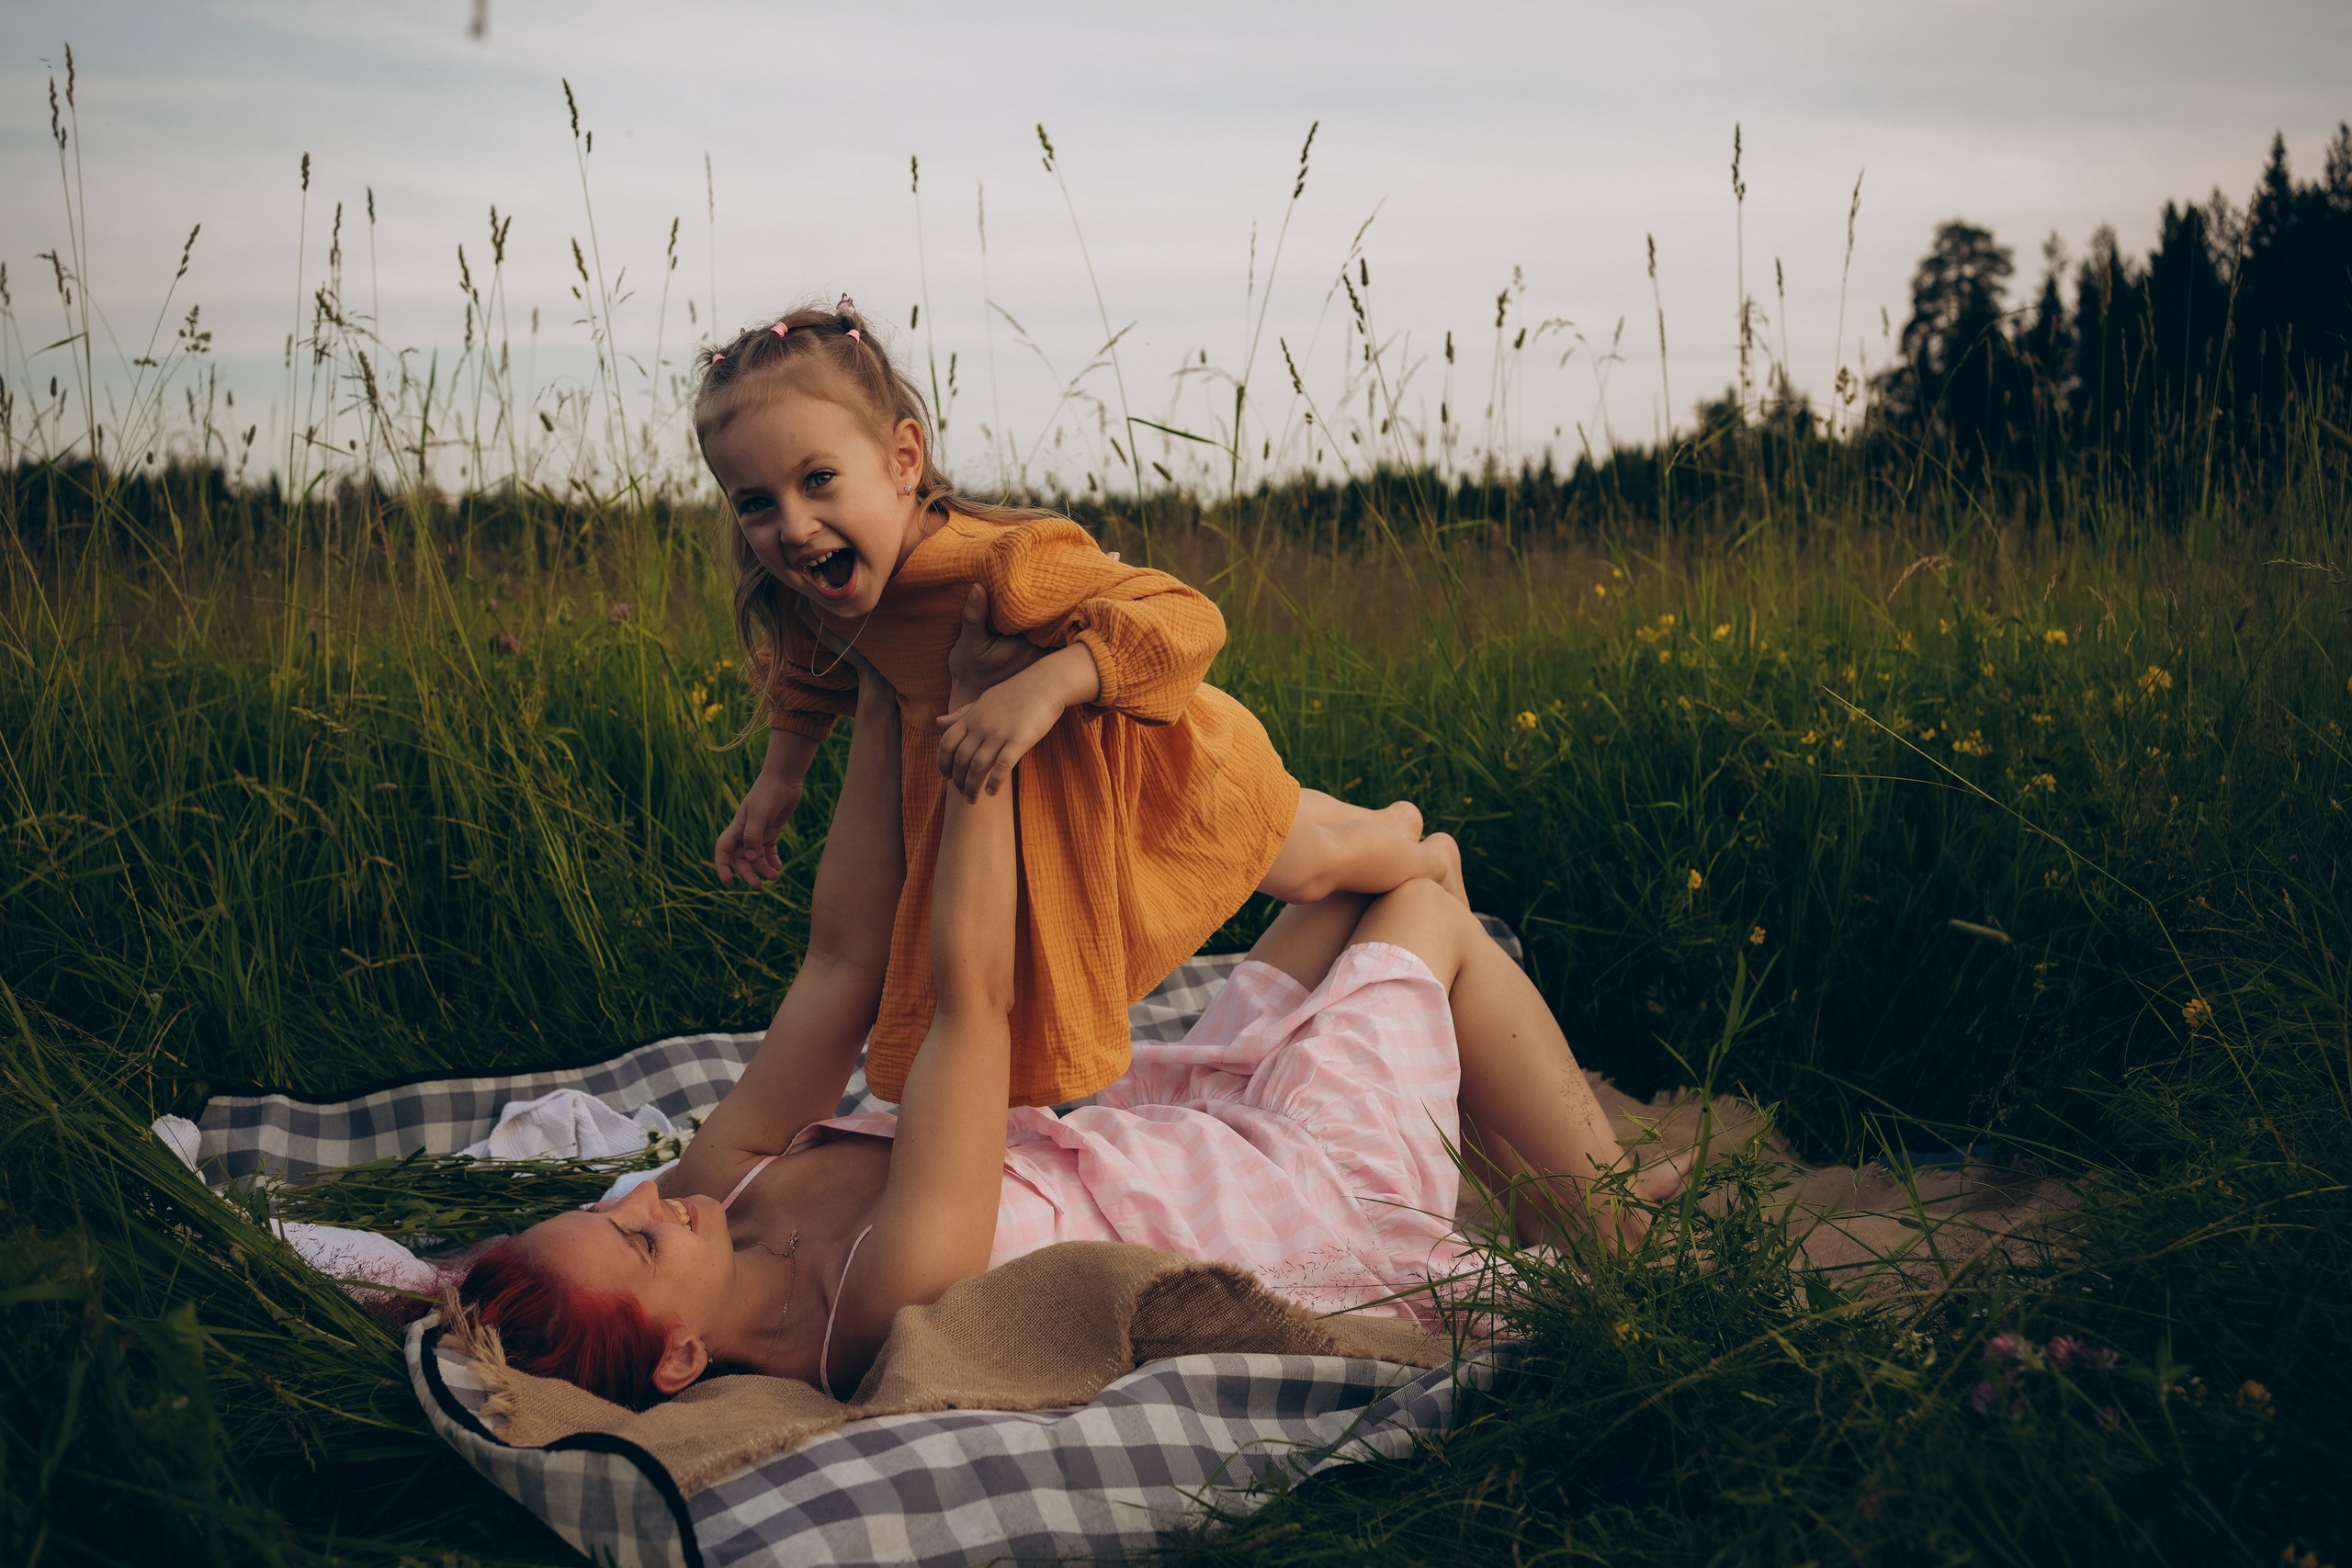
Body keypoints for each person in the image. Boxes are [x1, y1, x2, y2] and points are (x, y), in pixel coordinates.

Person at [459, 607, 1674, 1411]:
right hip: (1291, 1186)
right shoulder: (875, 1296)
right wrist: (987, 738)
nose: (646, 1200)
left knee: (1367, 888)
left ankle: (1531, 1148)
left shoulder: (720, 1192)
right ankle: (1621, 1238)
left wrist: (896, 675)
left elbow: (839, 961)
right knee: (1425, 900)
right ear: (680, 1356)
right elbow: (968, 1014)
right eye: (633, 1238)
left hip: (1170, 1127)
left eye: (609, 1202)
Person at [696, 297, 1455, 1109]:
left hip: (1159, 766)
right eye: (756, 503)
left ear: (903, 458)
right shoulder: (818, 591)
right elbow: (811, 672)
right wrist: (781, 780)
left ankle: (1422, 856)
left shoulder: (1000, 562)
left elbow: (1184, 615)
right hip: (1048, 798)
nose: (795, 525)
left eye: (818, 480)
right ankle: (1386, 824)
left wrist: (1049, 683)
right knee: (1297, 831)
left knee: (1312, 867)